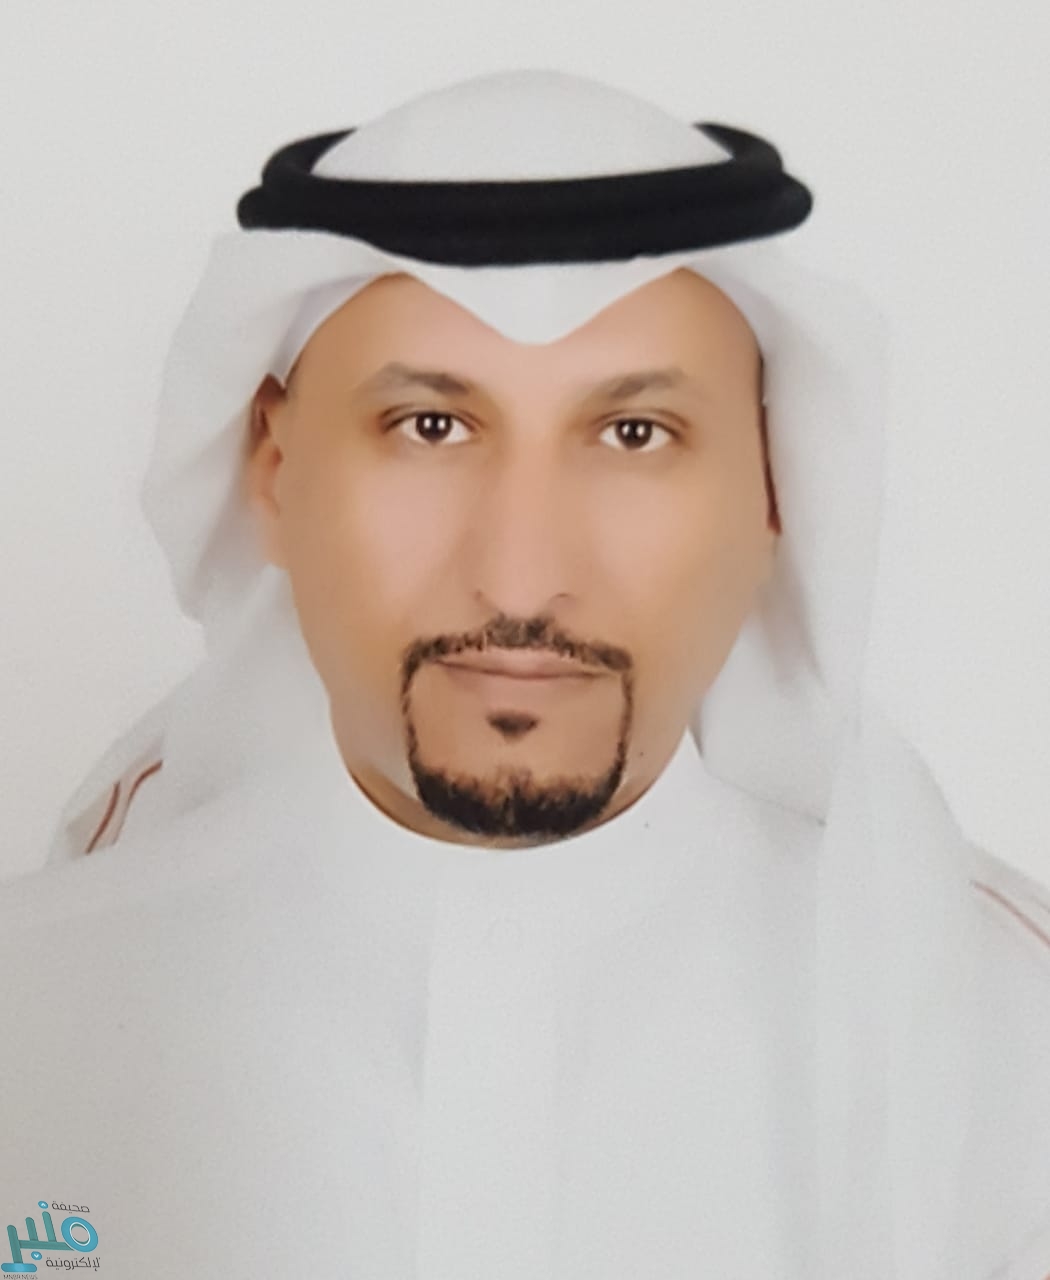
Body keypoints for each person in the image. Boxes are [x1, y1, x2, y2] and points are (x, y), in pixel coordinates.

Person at [4, 69, 1050, 1280]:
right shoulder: (34, 1016)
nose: (520, 575)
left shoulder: (1008, 1047)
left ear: (774, 489)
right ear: (276, 467)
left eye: (634, 433)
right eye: (429, 426)